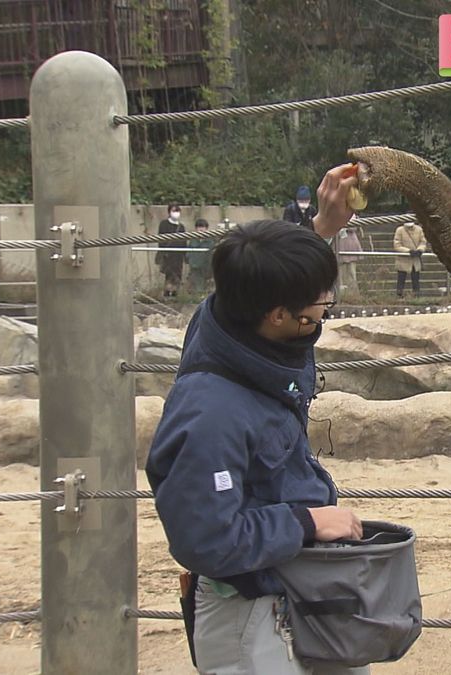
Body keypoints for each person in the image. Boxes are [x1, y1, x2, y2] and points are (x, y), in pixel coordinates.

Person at [147, 164, 364, 675]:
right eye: (314, 312)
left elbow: (267, 282)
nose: (324, 311)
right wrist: (307, 522)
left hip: (295, 592)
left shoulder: (227, 320)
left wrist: (321, 229)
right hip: (251, 622)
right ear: (277, 317)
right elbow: (206, 540)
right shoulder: (211, 414)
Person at [156, 205, 187, 298]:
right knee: (169, 274)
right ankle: (167, 293)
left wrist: (185, 254)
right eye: (174, 211)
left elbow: (184, 241)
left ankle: (175, 294)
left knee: (178, 274)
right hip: (168, 254)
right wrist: (163, 251)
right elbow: (161, 239)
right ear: (169, 212)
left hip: (178, 256)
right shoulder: (164, 224)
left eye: (178, 211)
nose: (176, 213)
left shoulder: (181, 227)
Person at [392, 220, 426, 298]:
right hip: (403, 258)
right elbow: (397, 245)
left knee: (416, 279)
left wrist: (420, 250)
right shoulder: (400, 230)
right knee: (401, 278)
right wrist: (408, 251)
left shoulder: (419, 229)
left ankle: (417, 295)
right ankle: (399, 295)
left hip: (415, 259)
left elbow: (423, 242)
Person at [334, 215, 363, 298]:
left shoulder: (352, 214)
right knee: (340, 274)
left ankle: (353, 295)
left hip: (350, 244)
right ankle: (341, 295)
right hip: (339, 243)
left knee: (351, 273)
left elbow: (353, 227)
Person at [185, 218, 215, 296]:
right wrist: (189, 260)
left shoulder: (211, 240)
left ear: (206, 228)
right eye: (199, 227)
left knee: (208, 287)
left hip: (207, 267)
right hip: (195, 266)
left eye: (203, 227)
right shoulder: (193, 240)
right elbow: (188, 252)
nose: (201, 229)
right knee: (197, 287)